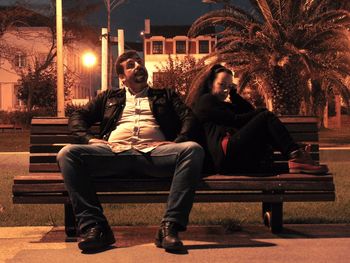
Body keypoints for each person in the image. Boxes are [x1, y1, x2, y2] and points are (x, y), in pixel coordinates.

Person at [57, 50, 204, 252]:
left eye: (139, 62)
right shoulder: (109, 97)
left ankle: (169, 228)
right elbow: (77, 116)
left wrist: (176, 141)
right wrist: (89, 139)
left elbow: (189, 118)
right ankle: (95, 228)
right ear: (122, 77)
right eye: (131, 65)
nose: (138, 66)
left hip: (154, 155)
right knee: (67, 154)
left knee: (193, 150)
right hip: (115, 154)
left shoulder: (166, 95)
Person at [187, 64, 328, 175]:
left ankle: (297, 155)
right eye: (222, 85)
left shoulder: (224, 105)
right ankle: (295, 154)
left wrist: (235, 95)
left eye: (229, 87)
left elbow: (249, 112)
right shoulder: (206, 101)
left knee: (264, 120)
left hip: (233, 157)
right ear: (210, 84)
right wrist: (262, 112)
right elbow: (236, 120)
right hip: (224, 155)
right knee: (265, 116)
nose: (226, 90)